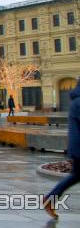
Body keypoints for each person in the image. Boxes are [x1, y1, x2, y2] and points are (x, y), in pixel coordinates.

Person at [45, 77, 80, 219]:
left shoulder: (76, 100)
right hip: (79, 147)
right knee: (75, 175)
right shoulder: (79, 101)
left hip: (77, 146)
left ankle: (50, 200)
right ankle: (49, 200)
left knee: (75, 175)